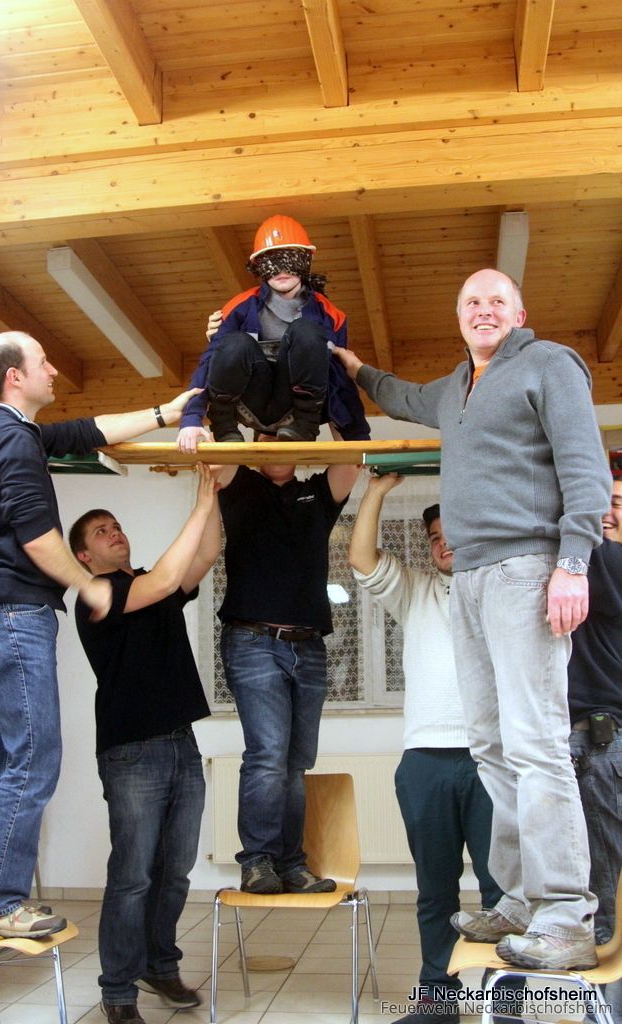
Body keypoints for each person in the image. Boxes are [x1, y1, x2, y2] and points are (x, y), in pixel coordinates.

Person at [333, 268, 612, 970]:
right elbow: (400, 395)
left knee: (536, 745)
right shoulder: (456, 386)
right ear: (459, 316)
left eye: (495, 301)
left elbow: (585, 466)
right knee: (490, 746)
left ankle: (565, 917)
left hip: (526, 568)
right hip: (471, 581)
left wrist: (572, 563)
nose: (483, 311)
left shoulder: (548, 364)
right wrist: (355, 369)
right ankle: (517, 899)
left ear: (518, 311)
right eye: (471, 302)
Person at [0, 329, 199, 941]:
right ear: (14, 376)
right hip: (14, 616)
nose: (54, 370)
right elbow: (38, 539)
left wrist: (165, 413)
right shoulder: (13, 440)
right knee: (32, 760)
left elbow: (89, 430)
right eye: (43, 361)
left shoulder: (0, 429)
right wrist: (87, 585)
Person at [69, 465, 221, 1024]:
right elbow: (162, 580)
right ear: (83, 556)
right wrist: (198, 503)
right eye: (101, 531)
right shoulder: (95, 594)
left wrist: (214, 495)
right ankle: (118, 991)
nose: (115, 532)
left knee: (174, 871)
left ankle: (159, 964)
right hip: (131, 751)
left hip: (182, 744)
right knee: (133, 876)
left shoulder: (148, 586)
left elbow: (206, 554)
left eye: (116, 525)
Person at [350, 473, 501, 1024]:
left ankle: (505, 1004)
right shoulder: (414, 590)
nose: (443, 543)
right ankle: (439, 1002)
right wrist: (376, 491)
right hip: (424, 763)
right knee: (435, 893)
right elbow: (361, 558)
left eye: (452, 532)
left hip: (493, 762)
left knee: (501, 896)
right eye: (435, 536)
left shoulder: (504, 587)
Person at [215, 434, 358, 893]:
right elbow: (218, 454)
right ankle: (257, 861)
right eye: (266, 440)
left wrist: (333, 401)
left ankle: (292, 864)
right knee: (268, 753)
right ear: (253, 449)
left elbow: (350, 459)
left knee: (295, 762)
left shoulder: (316, 493)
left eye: (287, 439)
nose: (276, 446)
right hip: (253, 640)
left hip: (309, 646)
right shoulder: (240, 484)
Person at [176, 214, 370, 451]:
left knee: (307, 331)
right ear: (258, 267)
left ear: (306, 261)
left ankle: (305, 425)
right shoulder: (239, 307)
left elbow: (340, 378)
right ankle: (224, 424)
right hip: (248, 403)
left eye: (290, 260)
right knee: (234, 342)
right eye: (271, 262)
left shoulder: (330, 315)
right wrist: (191, 418)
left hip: (298, 411)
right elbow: (210, 361)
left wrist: (358, 436)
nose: (281, 270)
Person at [569, 474, 622, 1021]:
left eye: (617, 503)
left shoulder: (610, 564)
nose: (605, 512)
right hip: (586, 745)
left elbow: (581, 544)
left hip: (606, 749)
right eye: (599, 503)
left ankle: (602, 1015)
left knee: (603, 893)